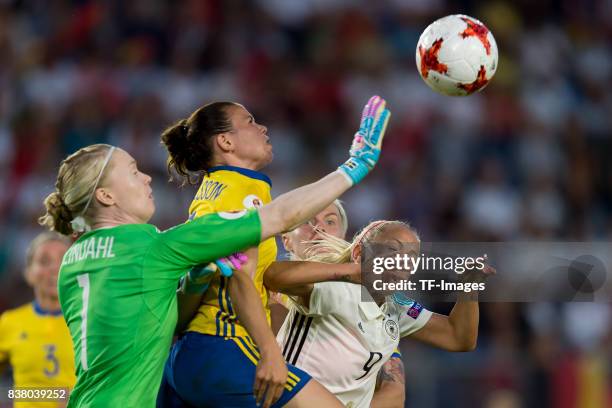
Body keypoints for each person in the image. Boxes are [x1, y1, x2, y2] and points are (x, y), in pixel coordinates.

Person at [39, 95, 390, 408]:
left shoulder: (73, 260)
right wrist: (356, 165)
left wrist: (193, 282)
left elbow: (160, 313)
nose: (147, 178)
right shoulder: (157, 247)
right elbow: (279, 218)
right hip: (220, 348)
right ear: (106, 196)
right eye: (133, 172)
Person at [157, 95, 389, 408]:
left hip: (189, 352)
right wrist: (270, 352)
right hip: (224, 345)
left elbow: (283, 212)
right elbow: (240, 278)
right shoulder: (242, 190)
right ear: (225, 141)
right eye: (250, 122)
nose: (263, 128)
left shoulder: (215, 189)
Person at [265, 220, 492, 408]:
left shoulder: (397, 307)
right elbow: (272, 275)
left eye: (411, 257)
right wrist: (352, 271)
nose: (402, 261)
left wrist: (469, 288)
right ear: (358, 253)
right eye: (392, 250)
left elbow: (458, 337)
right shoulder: (336, 289)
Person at [277, 200, 407, 408]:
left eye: (330, 221)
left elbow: (394, 393)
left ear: (343, 237)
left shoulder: (376, 302)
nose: (319, 228)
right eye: (307, 221)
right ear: (286, 240)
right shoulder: (265, 290)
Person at [0, 232, 76, 408]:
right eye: (44, 261)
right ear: (28, 273)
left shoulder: (92, 322)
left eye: (63, 260)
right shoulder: (10, 322)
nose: (55, 268)